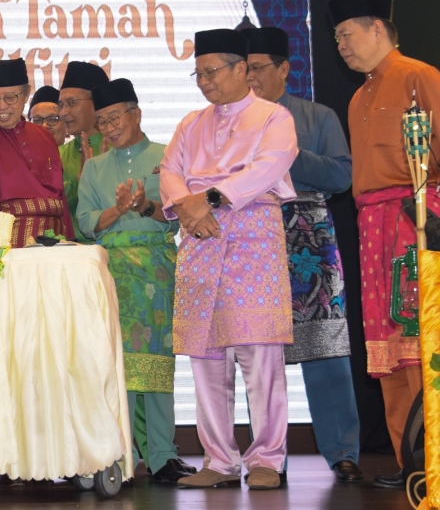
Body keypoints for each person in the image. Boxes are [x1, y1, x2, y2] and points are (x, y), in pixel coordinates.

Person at [160, 29, 298, 490]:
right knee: (206, 357)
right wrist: (189, 207)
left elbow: (269, 168)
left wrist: (211, 199)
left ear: (241, 68)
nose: (203, 81)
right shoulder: (190, 123)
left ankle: (268, 459)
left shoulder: (272, 117)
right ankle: (219, 460)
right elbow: (171, 172)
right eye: (197, 73)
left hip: (250, 237)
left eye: (211, 71)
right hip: (200, 239)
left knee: (260, 356)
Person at [330, 0, 440, 487]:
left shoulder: (419, 75)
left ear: (378, 29)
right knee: (388, 347)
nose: (341, 47)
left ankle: (434, 457)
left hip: (414, 216)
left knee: (423, 339)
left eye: (346, 35)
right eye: (335, 40)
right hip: (371, 226)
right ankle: (409, 460)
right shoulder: (357, 96)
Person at [243, 26, 362, 482]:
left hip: (309, 237)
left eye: (257, 69)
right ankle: (268, 459)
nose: (249, 78)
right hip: (253, 239)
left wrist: (289, 155)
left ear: (284, 70)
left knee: (325, 348)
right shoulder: (231, 122)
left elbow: (342, 177)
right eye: (243, 69)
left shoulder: (317, 116)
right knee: (258, 352)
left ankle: (343, 452)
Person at [76, 79, 195, 484]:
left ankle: (162, 455)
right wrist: (117, 209)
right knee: (115, 364)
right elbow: (86, 224)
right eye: (102, 122)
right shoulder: (93, 168)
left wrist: (145, 206)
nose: (108, 128)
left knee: (158, 364)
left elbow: (180, 213)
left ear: (136, 114)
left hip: (159, 270)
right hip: (112, 272)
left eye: (115, 118)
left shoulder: (168, 156)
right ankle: (119, 453)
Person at [0, 58, 72, 246]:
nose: (2, 106)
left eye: (11, 97)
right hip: (8, 251)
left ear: (26, 94)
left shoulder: (45, 137)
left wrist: (70, 240)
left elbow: (61, 202)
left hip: (56, 244)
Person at [58, 62, 110, 242]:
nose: (64, 112)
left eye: (71, 103)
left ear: (97, 103)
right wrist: (78, 182)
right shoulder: (58, 155)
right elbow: (53, 206)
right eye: (61, 105)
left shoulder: (120, 149)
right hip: (72, 254)